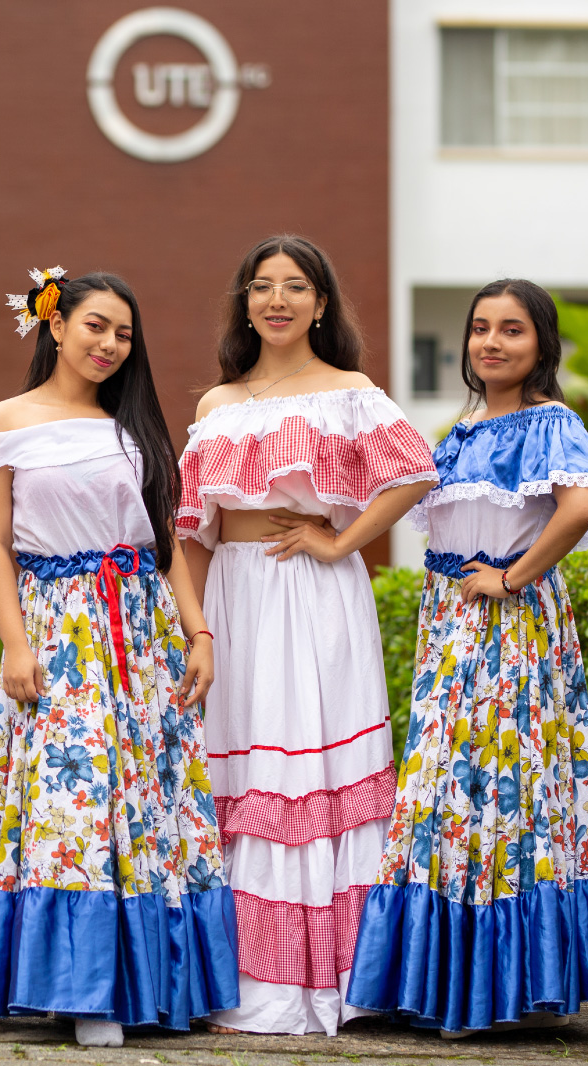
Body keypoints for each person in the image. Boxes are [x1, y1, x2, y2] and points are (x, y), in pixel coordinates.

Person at [0, 267, 240, 1048]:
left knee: (151, 802)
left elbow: (165, 540)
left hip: (141, 635)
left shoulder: (132, 426)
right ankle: (83, 991)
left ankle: (164, 984)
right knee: (72, 800)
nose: (111, 344)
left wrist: (199, 632)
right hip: (58, 629)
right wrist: (15, 641)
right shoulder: (4, 421)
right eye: (95, 326)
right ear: (55, 325)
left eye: (123, 333)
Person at [345, 279, 588, 1036]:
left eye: (511, 329)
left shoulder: (551, 422)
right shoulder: (461, 432)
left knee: (508, 789)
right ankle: (445, 983)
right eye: (480, 328)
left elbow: (578, 506)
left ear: (542, 342)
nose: (491, 342)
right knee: (447, 795)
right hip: (451, 628)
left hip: (508, 627)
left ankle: (505, 991)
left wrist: (511, 577)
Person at [176, 235, 439, 1036]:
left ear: (321, 303)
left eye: (296, 287)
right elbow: (191, 532)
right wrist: (195, 630)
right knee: (245, 761)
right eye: (263, 287)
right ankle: (243, 976)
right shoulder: (215, 405)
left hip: (317, 590)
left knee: (312, 761)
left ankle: (325, 977)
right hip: (235, 592)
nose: (278, 300)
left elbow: (417, 471)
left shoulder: (350, 391)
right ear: (245, 302)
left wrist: (341, 540)